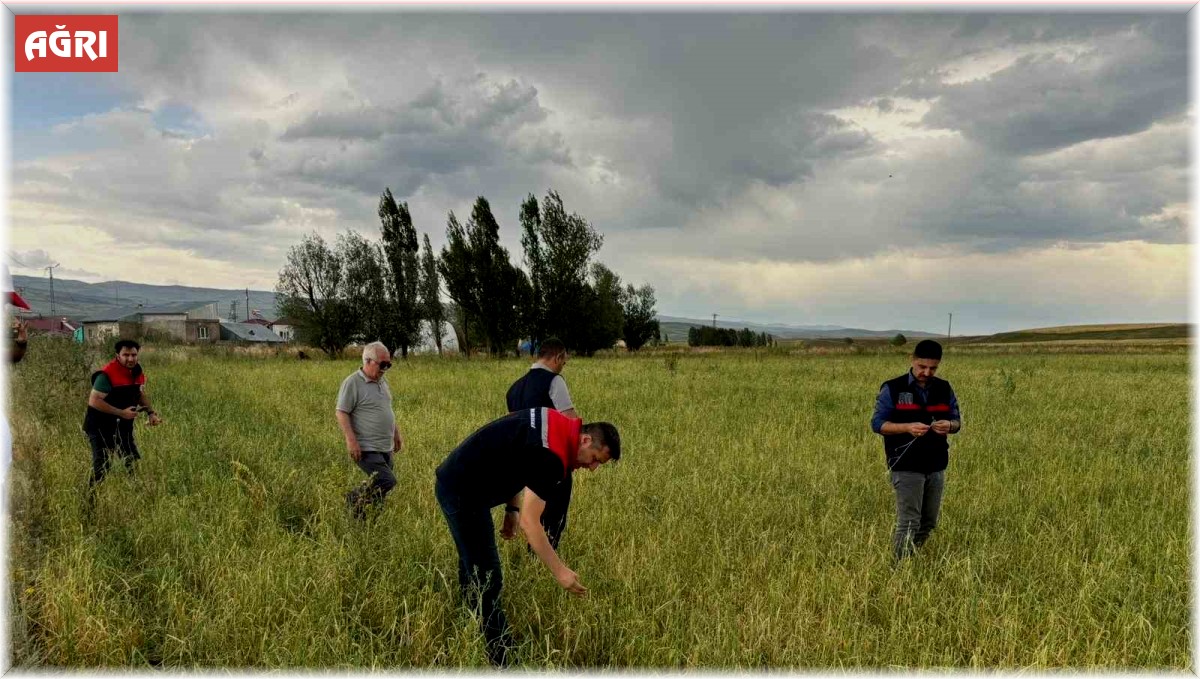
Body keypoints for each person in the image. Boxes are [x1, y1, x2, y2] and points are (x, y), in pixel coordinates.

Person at [434, 407, 620, 666]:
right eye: (595, 459)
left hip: (458, 481)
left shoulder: (554, 424)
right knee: (489, 577)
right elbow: (531, 524)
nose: (592, 468)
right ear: (586, 440)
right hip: (463, 493)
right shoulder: (552, 456)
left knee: (473, 563)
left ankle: (468, 623)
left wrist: (512, 508)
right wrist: (560, 572)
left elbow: (516, 457)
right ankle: (502, 655)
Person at [872, 339, 961, 561]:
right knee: (909, 520)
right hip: (906, 465)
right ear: (912, 360)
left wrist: (949, 426)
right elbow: (877, 424)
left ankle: (910, 556)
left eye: (933, 368)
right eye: (922, 367)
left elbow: (957, 421)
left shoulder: (944, 388)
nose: (927, 372)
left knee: (929, 522)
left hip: (936, 464)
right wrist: (906, 428)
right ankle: (900, 567)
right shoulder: (892, 388)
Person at [505, 337, 578, 549]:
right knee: (553, 518)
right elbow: (571, 420)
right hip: (552, 461)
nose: (564, 365)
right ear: (558, 357)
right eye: (564, 361)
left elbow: (511, 430)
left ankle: (532, 556)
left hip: (526, 463)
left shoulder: (514, 389)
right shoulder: (555, 381)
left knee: (533, 515)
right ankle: (543, 560)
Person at [336, 341, 403, 520]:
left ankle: (367, 522)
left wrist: (396, 433)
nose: (385, 368)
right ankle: (353, 499)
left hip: (385, 446)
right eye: (382, 364)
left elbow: (387, 409)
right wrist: (351, 441)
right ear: (368, 361)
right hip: (367, 447)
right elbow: (341, 412)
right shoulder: (352, 382)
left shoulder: (382, 382)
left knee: (380, 492)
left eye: (389, 364)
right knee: (387, 481)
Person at [82, 339, 163, 486]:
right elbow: (94, 401)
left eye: (134, 355)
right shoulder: (106, 375)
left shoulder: (137, 372)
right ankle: (89, 502)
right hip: (99, 427)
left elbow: (139, 394)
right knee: (102, 467)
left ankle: (138, 495)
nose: (131, 358)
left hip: (122, 427)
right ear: (118, 355)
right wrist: (121, 413)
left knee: (132, 462)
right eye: (126, 355)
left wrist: (151, 413)